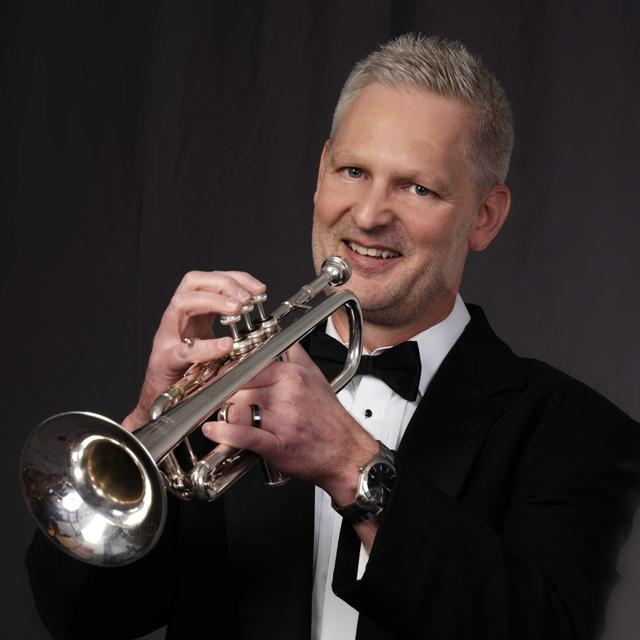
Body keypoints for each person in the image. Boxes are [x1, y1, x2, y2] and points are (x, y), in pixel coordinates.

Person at [27, 34, 640, 640]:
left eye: (417, 187)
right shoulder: (222, 400)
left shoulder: (578, 433)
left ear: (485, 217)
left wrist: (353, 467)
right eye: (353, 171)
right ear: (321, 174)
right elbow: (80, 618)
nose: (370, 214)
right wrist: (145, 427)